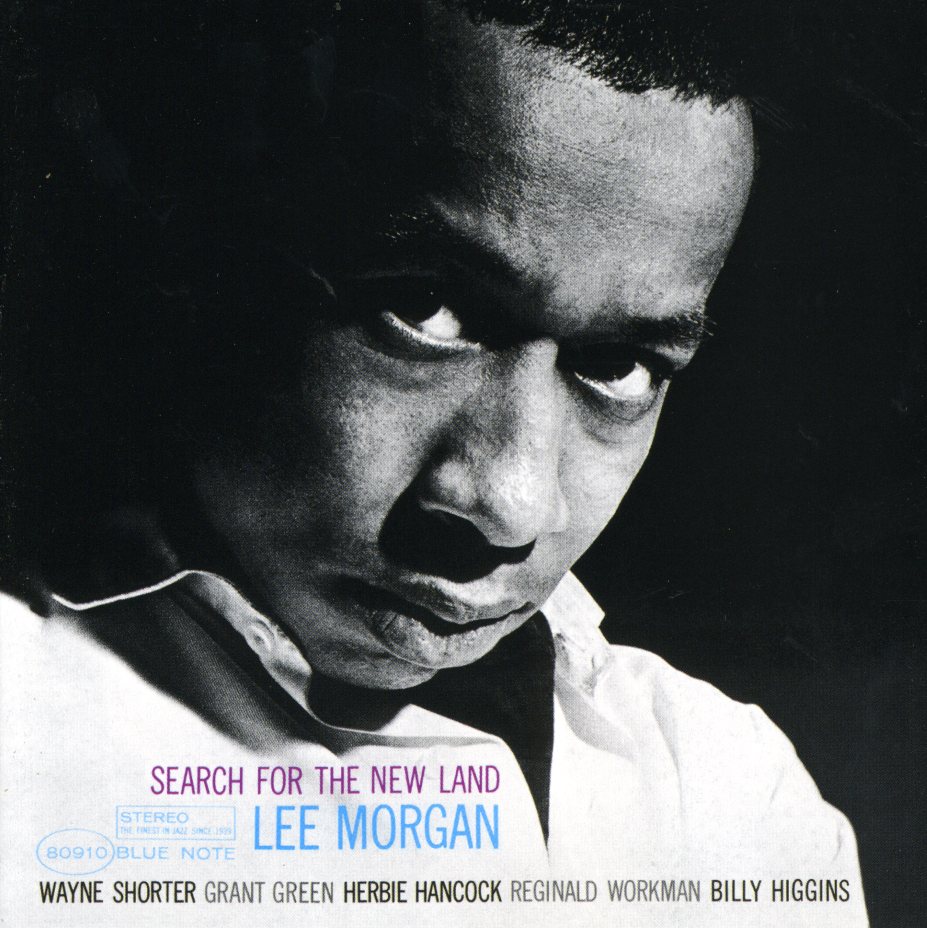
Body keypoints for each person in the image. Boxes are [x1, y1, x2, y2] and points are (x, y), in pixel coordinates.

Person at [1, 2, 868, 925]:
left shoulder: (728, 794)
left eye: (618, 366)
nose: (509, 502)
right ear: (209, 264)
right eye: (425, 309)